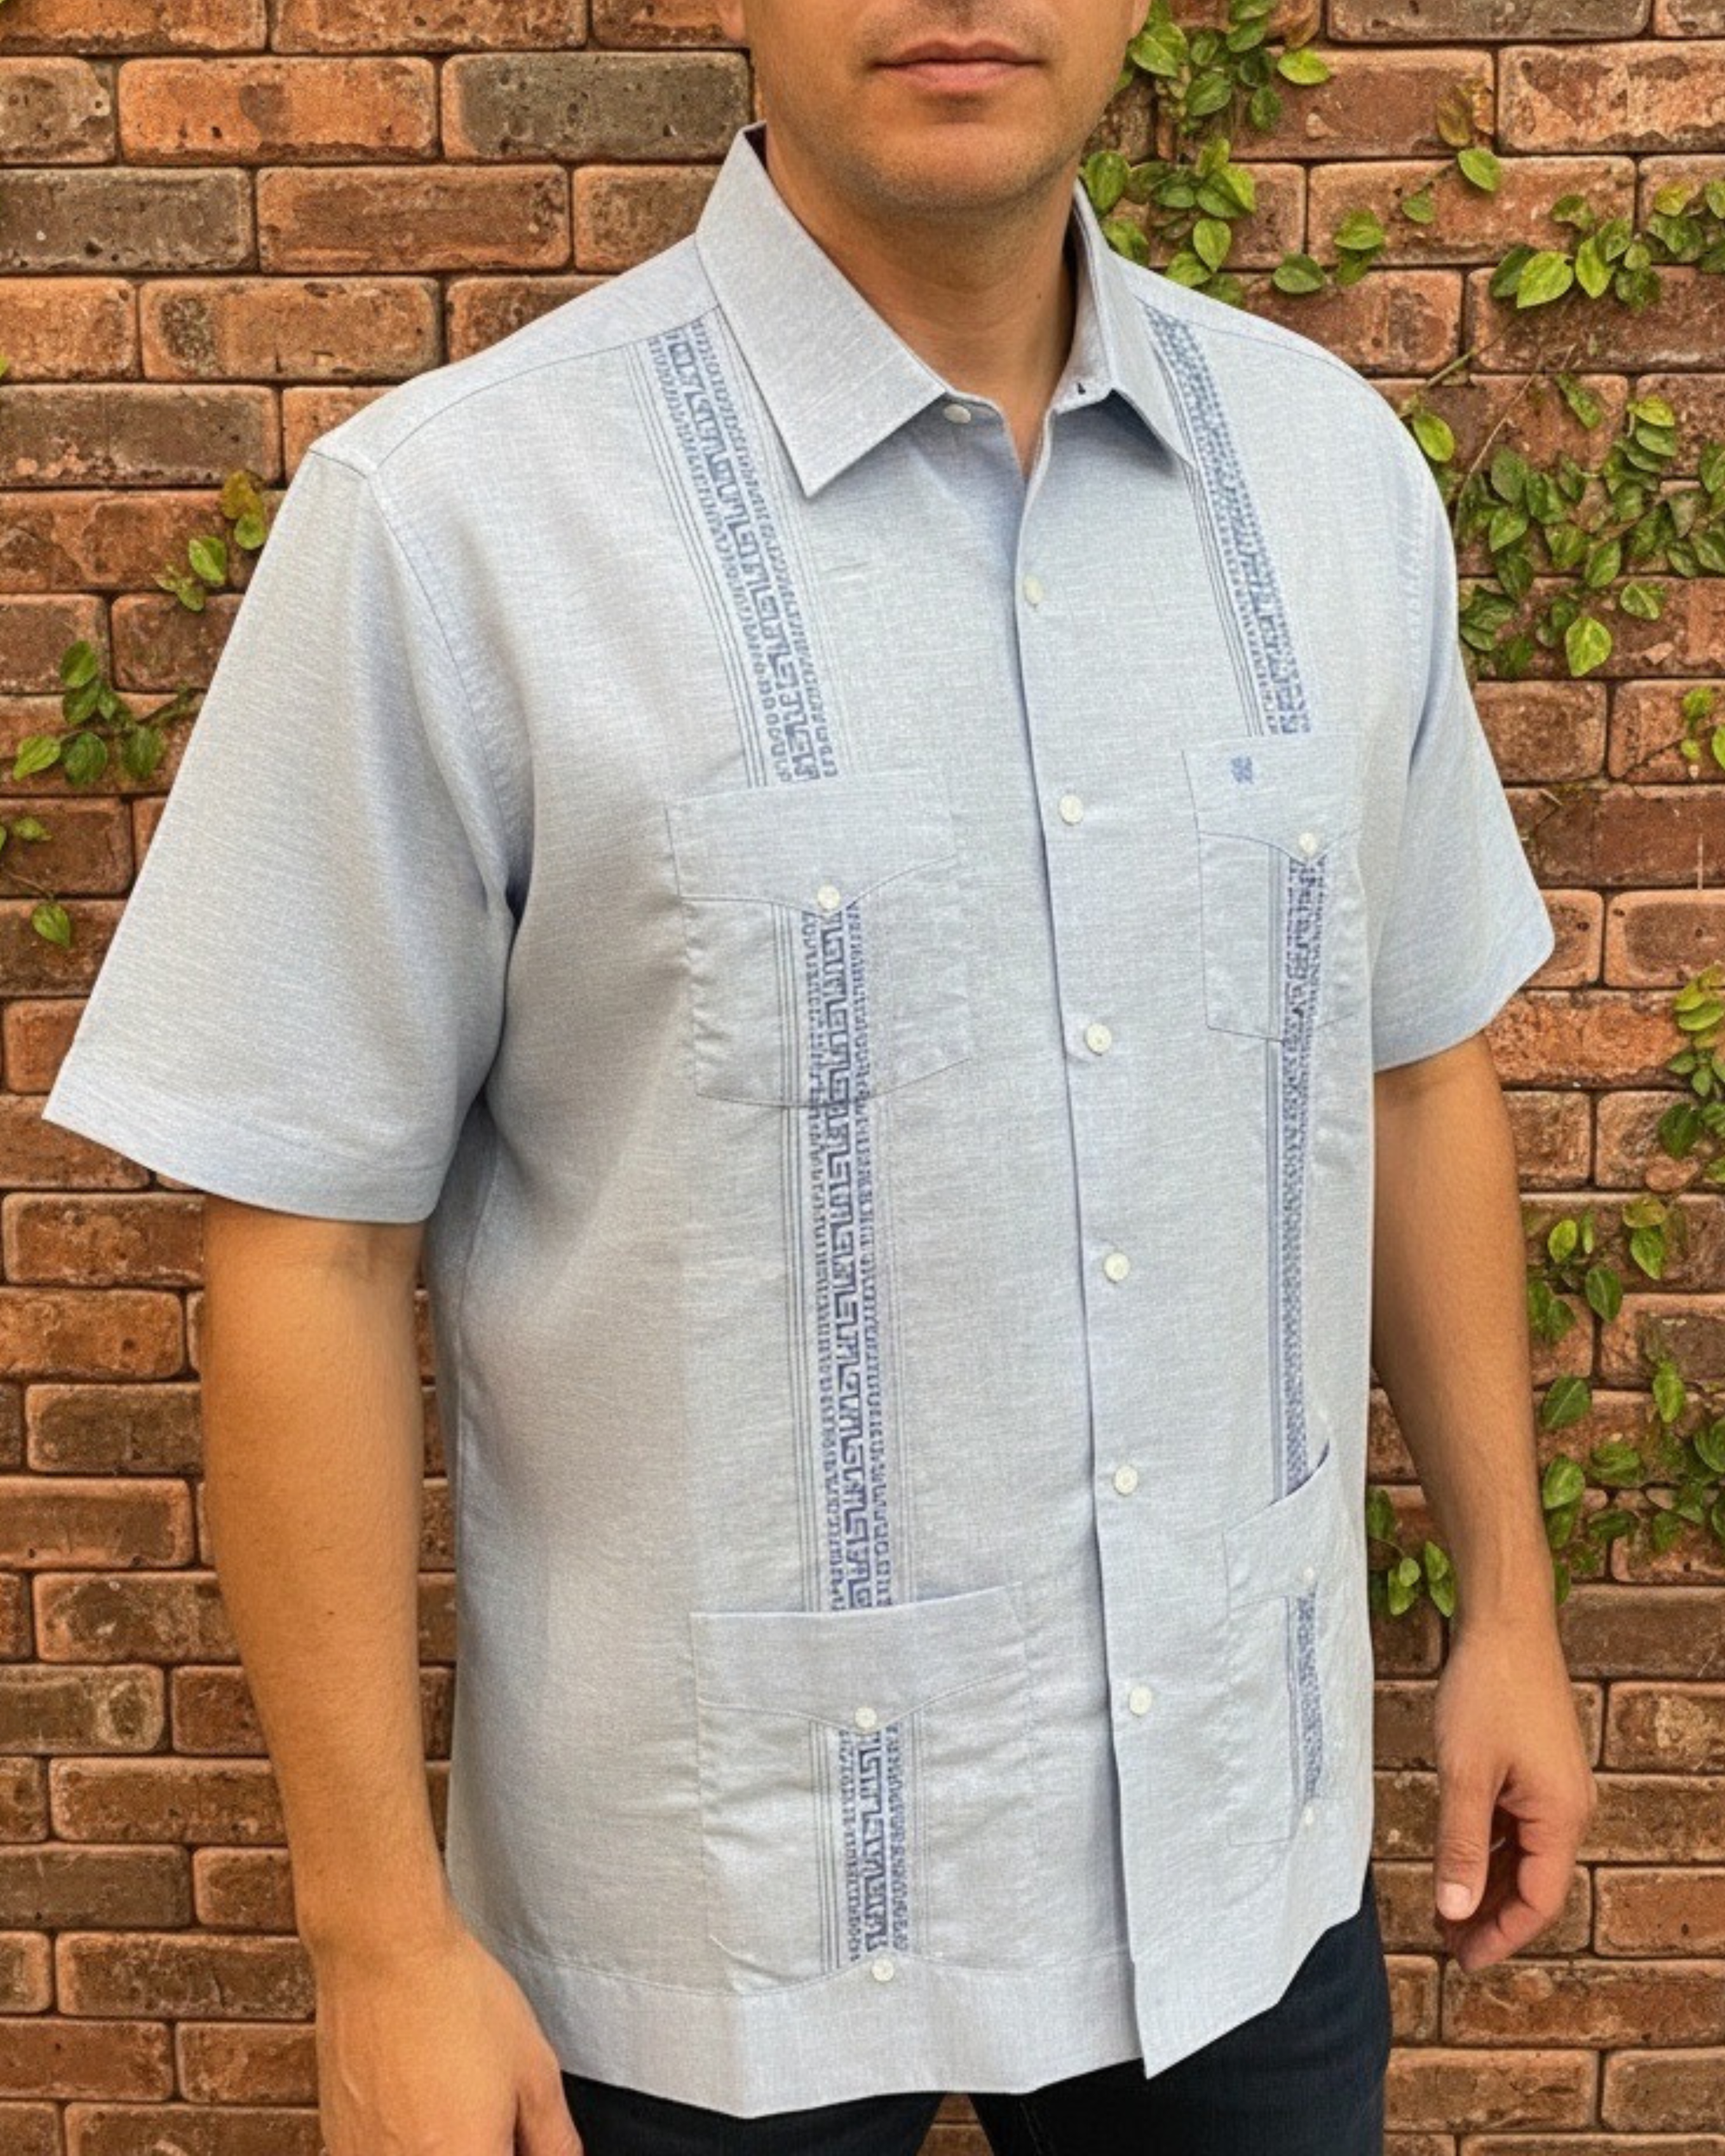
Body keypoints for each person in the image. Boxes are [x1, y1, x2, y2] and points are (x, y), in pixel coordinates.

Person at [41, 1, 1598, 2150]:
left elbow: (1415, 1065)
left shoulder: (1328, 476)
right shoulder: (457, 518)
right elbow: (307, 1240)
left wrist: (1506, 1601)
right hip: (700, 1925)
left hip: (1240, 1846)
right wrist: (375, 1937)